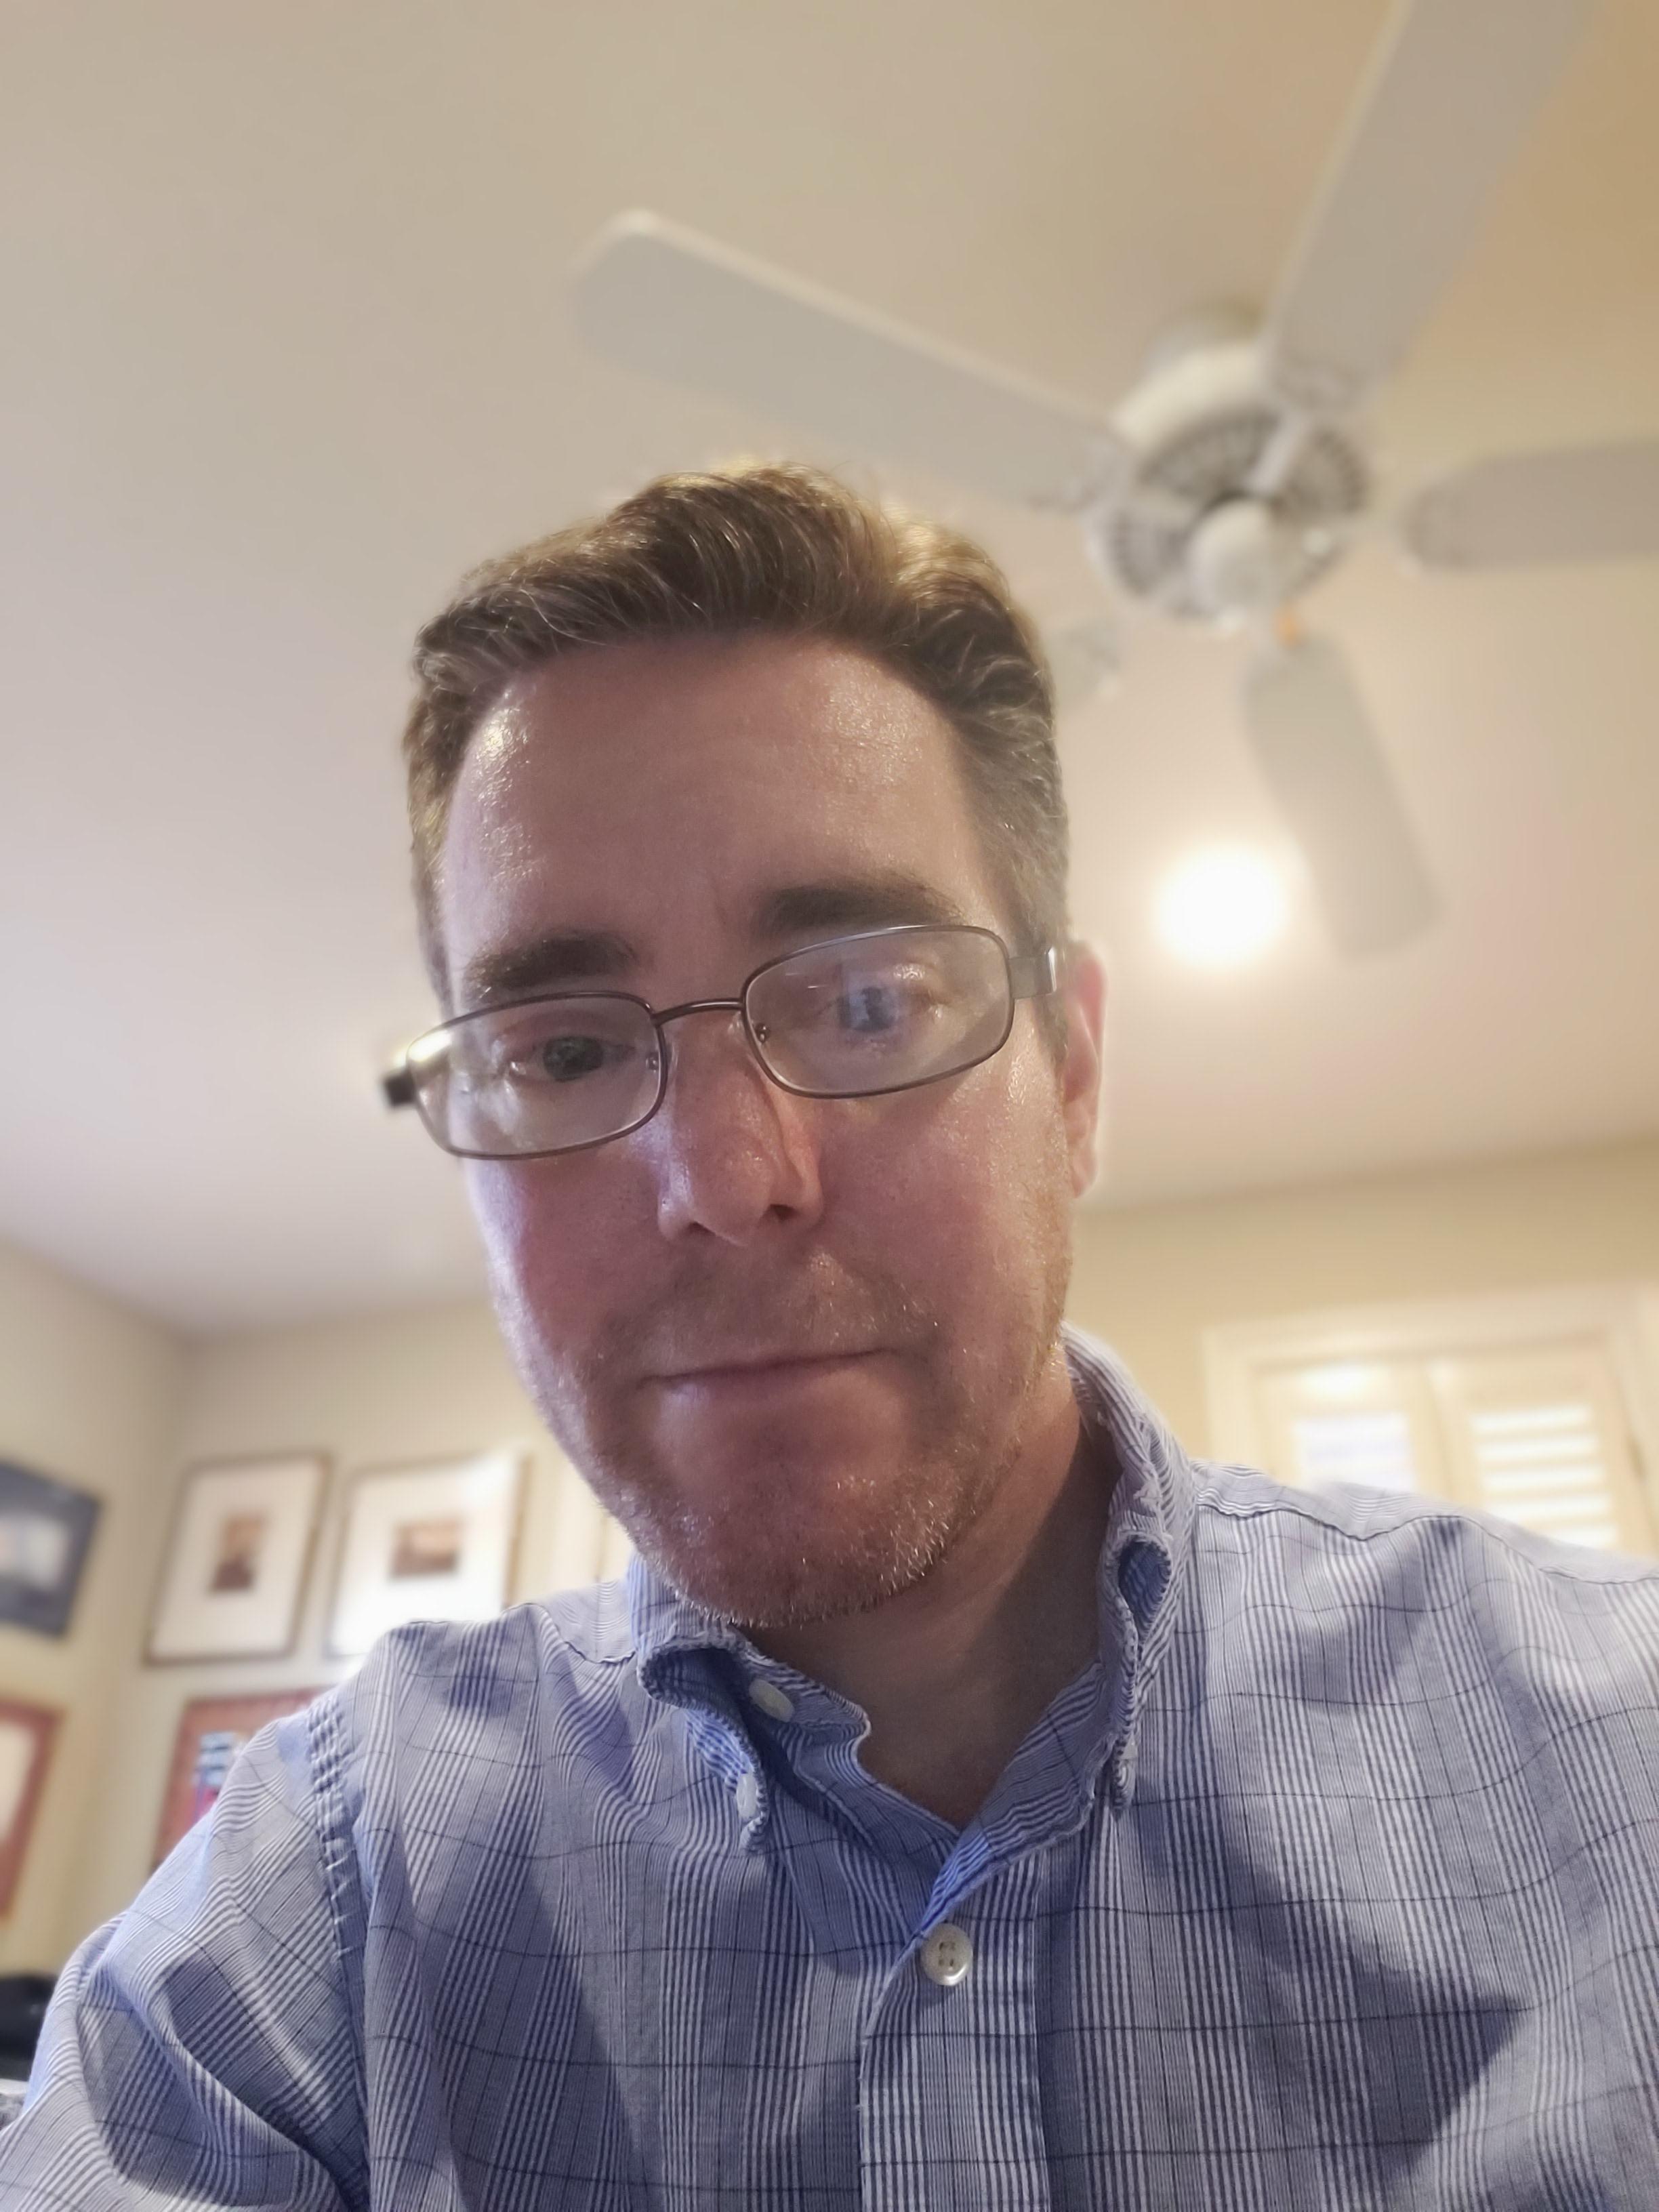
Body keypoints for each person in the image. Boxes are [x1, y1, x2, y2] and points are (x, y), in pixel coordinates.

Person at [5, 464, 1657, 2209]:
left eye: (867, 1000)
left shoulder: (1613, 1757)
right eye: (566, 1051)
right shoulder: (330, 1892)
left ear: (1073, 1074)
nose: (725, 1182)